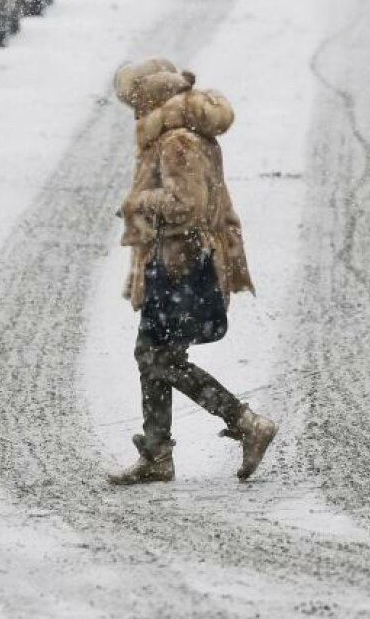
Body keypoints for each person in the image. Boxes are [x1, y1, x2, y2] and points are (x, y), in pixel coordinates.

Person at [109, 57, 277, 485]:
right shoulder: (186, 135)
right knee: (154, 354)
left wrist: (139, 204)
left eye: (135, 103)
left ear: (150, 98)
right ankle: (157, 454)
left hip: (183, 264)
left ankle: (244, 423)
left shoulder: (176, 142)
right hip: (179, 261)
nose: (134, 112)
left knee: (158, 356)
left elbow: (189, 206)